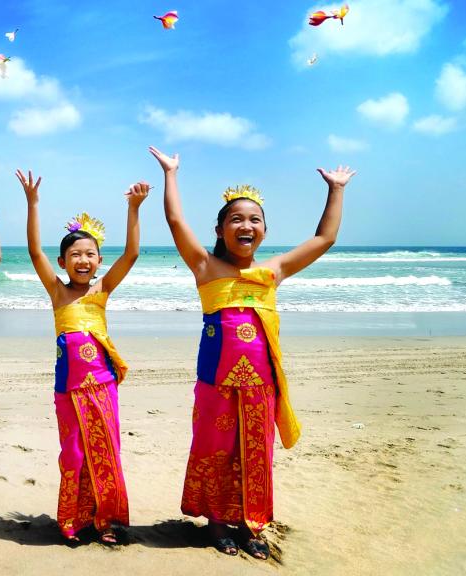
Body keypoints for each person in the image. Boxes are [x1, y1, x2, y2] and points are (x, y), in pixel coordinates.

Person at [150, 145, 355, 560]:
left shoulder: (271, 272)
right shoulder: (205, 266)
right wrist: (171, 174)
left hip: (261, 384)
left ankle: (250, 521)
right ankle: (218, 522)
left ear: (264, 230)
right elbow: (175, 219)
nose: (246, 224)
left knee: (255, 453)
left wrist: (336, 190)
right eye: (236, 219)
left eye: (254, 219)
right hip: (215, 382)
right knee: (215, 449)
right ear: (221, 229)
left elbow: (324, 238)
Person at [16, 169, 149, 544]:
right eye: (75, 254)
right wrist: (32, 203)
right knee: (73, 455)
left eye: (90, 254)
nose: (83, 259)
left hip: (103, 386)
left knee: (106, 451)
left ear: (99, 260)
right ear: (62, 262)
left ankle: (105, 520)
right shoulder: (58, 293)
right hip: (67, 389)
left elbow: (133, 253)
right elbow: (34, 251)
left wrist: (134, 208)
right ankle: (73, 520)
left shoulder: (102, 290)